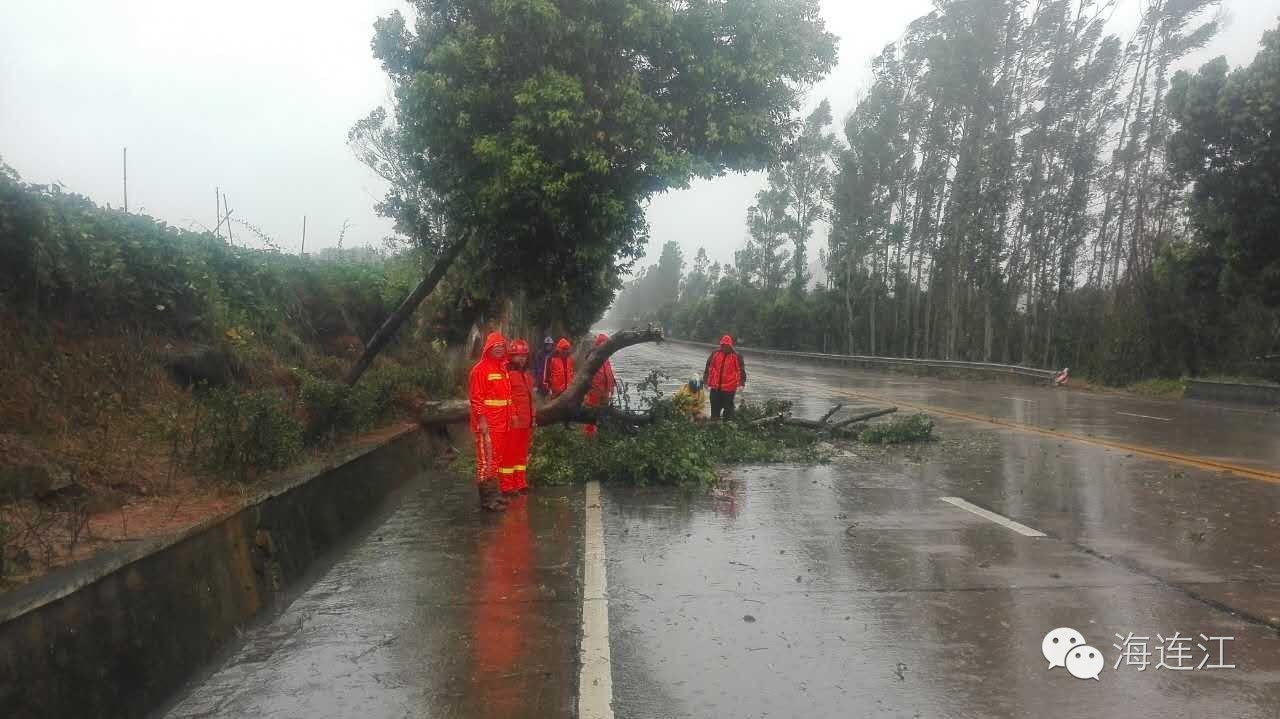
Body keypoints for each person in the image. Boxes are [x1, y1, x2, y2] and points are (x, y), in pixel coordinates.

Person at [468, 331, 512, 511]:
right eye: (496, 347)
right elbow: (476, 398)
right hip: (488, 424)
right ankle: (487, 500)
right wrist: (483, 422)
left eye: (502, 346)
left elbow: (506, 398)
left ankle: (494, 494)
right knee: (485, 461)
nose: (500, 349)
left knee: (496, 460)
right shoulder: (480, 370)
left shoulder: (502, 369)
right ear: (489, 348)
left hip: (502, 423)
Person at [505, 339, 536, 495]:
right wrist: (513, 416)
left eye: (524, 355)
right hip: (513, 422)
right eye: (518, 355)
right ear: (511, 357)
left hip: (526, 421)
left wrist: (533, 417)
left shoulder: (527, 375)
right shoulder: (508, 374)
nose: (521, 358)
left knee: (521, 455)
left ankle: (520, 482)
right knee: (510, 454)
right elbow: (507, 398)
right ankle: (507, 486)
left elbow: (530, 398)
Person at [704, 334, 746, 420]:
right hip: (715, 388)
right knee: (715, 411)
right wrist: (705, 381)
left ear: (730, 345)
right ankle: (714, 426)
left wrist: (741, 384)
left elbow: (741, 371)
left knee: (728, 411)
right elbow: (708, 367)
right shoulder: (715, 353)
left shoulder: (736, 356)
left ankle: (727, 427)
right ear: (721, 345)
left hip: (729, 389)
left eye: (726, 345)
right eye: (723, 345)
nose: (724, 347)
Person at [582, 333, 615, 437]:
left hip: (605, 391)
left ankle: (601, 433)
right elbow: (585, 375)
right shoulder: (592, 357)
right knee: (591, 414)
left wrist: (612, 385)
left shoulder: (605, 357)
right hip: (594, 391)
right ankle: (588, 435)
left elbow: (609, 372)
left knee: (603, 413)